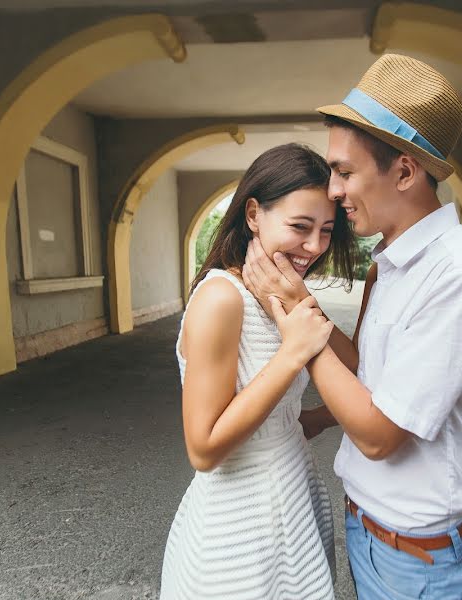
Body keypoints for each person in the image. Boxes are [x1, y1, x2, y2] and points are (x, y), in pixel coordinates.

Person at [243, 54, 462, 599]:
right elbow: (371, 371)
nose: (332, 189)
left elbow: (378, 436)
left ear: (403, 171)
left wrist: (295, 311)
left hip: (417, 560)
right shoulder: (392, 260)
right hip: (370, 532)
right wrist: (320, 416)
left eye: (345, 172)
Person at [159, 143, 356, 600]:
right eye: (300, 227)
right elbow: (204, 449)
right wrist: (292, 354)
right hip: (238, 531)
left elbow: (354, 368)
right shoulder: (222, 299)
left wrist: (295, 298)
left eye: (326, 230)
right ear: (253, 214)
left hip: (293, 503)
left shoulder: (282, 292)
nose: (314, 246)